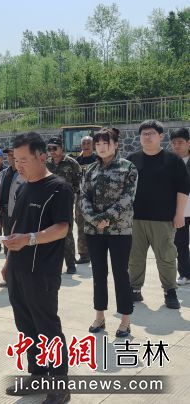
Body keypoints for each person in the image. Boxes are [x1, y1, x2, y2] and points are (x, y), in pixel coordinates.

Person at [4, 132, 71, 403]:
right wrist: (8, 261)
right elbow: (17, 225)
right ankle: (38, 375)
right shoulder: (23, 187)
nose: (18, 165)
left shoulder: (59, 188)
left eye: (24, 159)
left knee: (47, 327)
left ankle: (59, 385)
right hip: (17, 268)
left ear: (42, 156)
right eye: (16, 159)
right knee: (26, 326)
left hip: (41, 270)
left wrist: (29, 239)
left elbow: (62, 228)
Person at [127, 120, 190, 309]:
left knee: (166, 257)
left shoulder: (173, 160)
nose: (147, 137)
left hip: (163, 219)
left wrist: (179, 214)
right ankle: (134, 289)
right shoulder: (131, 159)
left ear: (161, 136)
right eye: (144, 134)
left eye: (152, 133)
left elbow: (182, 189)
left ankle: (170, 291)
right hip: (135, 219)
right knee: (135, 257)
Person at [81, 128, 137, 338]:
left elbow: (128, 197)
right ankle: (99, 316)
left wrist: (107, 218)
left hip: (119, 230)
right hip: (94, 230)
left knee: (121, 273)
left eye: (106, 143)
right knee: (98, 273)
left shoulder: (128, 168)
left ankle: (125, 320)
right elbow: (83, 197)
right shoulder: (90, 169)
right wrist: (95, 219)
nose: (102, 147)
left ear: (115, 144)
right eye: (98, 144)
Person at [46, 136, 81, 274]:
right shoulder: (47, 163)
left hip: (65, 203)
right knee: (49, 233)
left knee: (66, 233)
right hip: (49, 203)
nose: (52, 151)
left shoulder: (72, 163)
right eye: (49, 149)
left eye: (54, 148)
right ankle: (53, 263)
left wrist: (68, 195)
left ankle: (71, 264)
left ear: (61, 148)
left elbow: (79, 183)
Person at [0, 145, 25, 287]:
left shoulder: (24, 173)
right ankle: (9, 277)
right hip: (5, 214)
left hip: (19, 216)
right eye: (9, 155)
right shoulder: (4, 173)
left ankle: (20, 278)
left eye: (13, 155)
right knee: (8, 246)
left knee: (20, 247)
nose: (11, 158)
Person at [170, 127, 190, 285]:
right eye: (174, 143)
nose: (177, 146)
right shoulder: (169, 161)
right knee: (181, 244)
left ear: (188, 143)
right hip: (179, 211)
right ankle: (185, 274)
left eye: (180, 142)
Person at [74, 136, 97, 264]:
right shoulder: (76, 162)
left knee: (96, 225)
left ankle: (96, 252)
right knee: (81, 225)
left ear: (93, 145)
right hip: (80, 197)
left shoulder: (98, 160)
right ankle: (83, 255)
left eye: (89, 143)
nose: (86, 145)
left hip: (96, 197)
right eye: (84, 143)